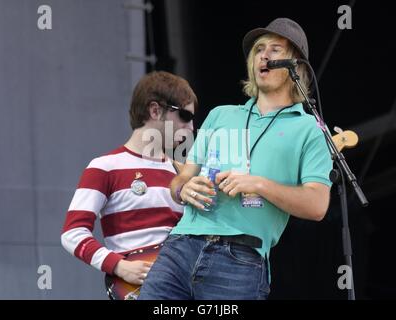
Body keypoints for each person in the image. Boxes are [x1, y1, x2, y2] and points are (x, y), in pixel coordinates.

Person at [138, 18, 333, 300]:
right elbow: (182, 178)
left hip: (240, 257)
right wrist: (183, 188)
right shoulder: (221, 114)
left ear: (297, 66)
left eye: (275, 49)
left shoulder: (310, 130)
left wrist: (259, 184)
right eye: (258, 50)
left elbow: (317, 205)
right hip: (180, 247)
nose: (263, 55)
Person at [61, 71, 197, 294]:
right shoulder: (104, 167)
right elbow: (72, 233)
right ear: (155, 110)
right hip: (140, 288)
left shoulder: (182, 172)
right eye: (185, 116)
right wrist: (119, 266)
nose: (191, 128)